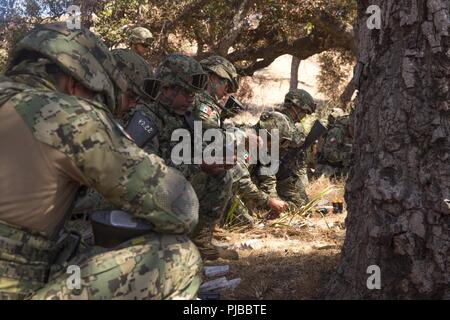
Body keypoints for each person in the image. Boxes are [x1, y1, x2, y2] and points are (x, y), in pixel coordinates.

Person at [0, 23, 201, 300]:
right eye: (100, 100)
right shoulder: (66, 115)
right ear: (75, 83)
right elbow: (181, 209)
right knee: (180, 257)